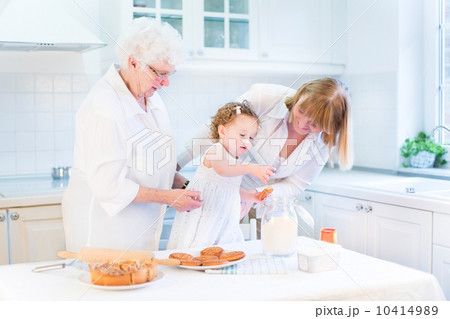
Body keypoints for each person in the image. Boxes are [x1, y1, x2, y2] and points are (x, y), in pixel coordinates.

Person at [62, 18, 202, 253]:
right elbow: (110, 186)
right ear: (133, 62)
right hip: (103, 231)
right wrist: (168, 198)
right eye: (160, 73)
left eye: (171, 74)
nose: (166, 82)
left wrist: (187, 185)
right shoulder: (104, 107)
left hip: (140, 229)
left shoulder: (150, 96)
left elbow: (151, 162)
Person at [177, 78, 353, 224]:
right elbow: (215, 129)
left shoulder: (325, 140)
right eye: (301, 110)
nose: (302, 123)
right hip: (226, 188)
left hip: (269, 201)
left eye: (314, 124)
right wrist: (177, 164)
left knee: (268, 254)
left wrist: (257, 196)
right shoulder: (265, 99)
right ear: (300, 94)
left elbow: (295, 184)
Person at [167, 101, 276, 249]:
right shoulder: (216, 150)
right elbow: (222, 169)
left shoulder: (236, 161)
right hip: (206, 213)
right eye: (242, 134)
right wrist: (251, 167)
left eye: (251, 137)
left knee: (225, 250)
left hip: (222, 218)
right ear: (223, 131)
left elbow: (232, 187)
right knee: (199, 247)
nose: (247, 141)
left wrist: (251, 196)